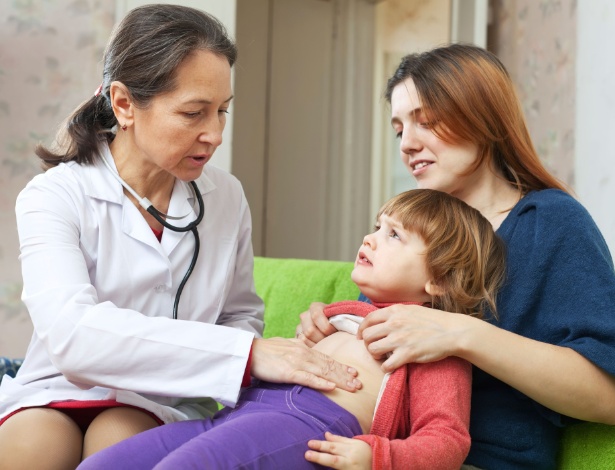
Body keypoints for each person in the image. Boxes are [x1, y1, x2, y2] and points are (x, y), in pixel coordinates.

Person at [0, 5, 360, 469]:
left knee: (118, 436)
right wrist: (248, 355)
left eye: (222, 111)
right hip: (57, 387)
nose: (214, 134)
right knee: (33, 445)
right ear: (125, 104)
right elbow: (71, 335)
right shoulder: (54, 195)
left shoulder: (225, 196)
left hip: (165, 398)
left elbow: (240, 314)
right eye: (193, 113)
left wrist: (236, 353)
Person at [298, 43, 615, 470]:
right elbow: (386, 353)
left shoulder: (552, 222)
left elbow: (608, 395)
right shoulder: (413, 230)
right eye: (398, 130)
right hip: (371, 449)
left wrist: (461, 333)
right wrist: (332, 333)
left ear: (482, 117)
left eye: (425, 121)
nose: (407, 144)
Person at [77, 188, 506, 470]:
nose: (370, 238)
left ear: (441, 280)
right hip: (241, 412)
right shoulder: (339, 316)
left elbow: (447, 439)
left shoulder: (436, 349)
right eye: (378, 226)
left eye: (394, 235)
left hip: (310, 429)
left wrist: (378, 457)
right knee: (103, 465)